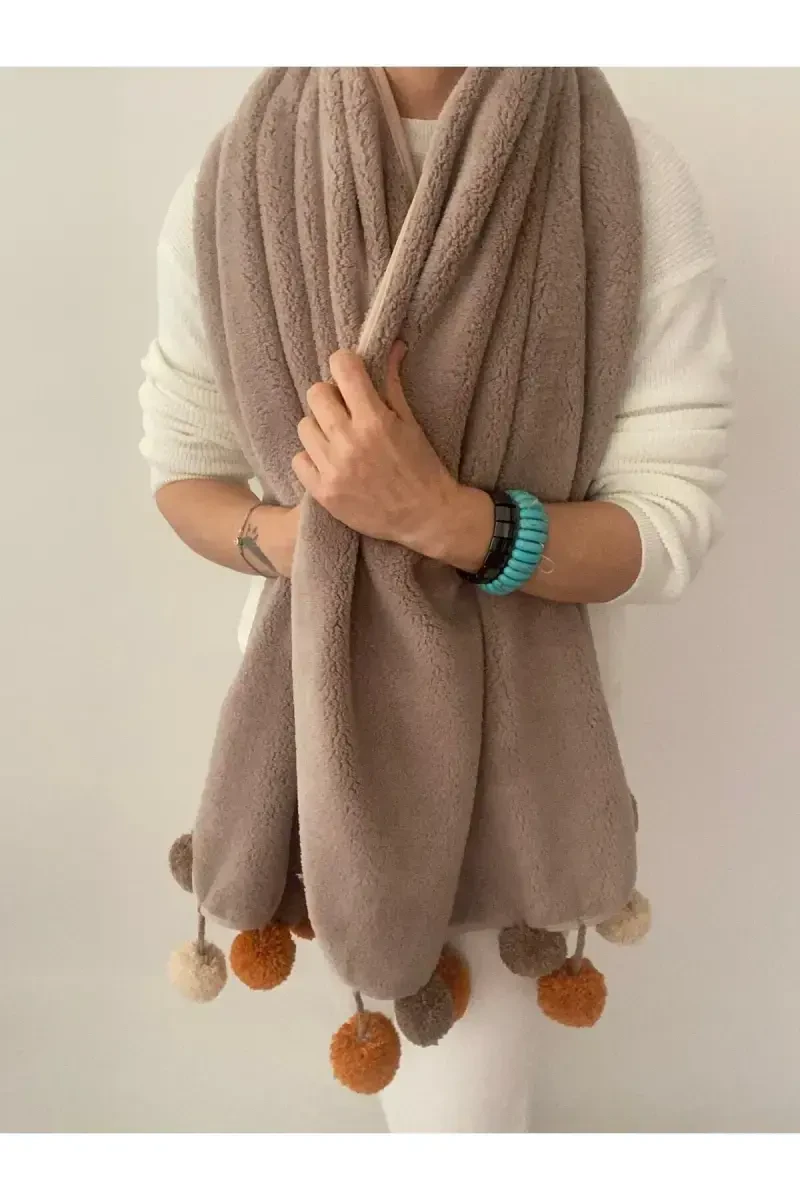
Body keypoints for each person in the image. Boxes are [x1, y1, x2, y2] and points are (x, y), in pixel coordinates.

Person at [139, 68, 732, 1133]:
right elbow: (183, 470)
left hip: (518, 769)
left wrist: (449, 521)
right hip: (308, 751)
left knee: (464, 1126)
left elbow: (669, 520)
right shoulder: (232, 183)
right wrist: (316, 533)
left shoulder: (623, 173)